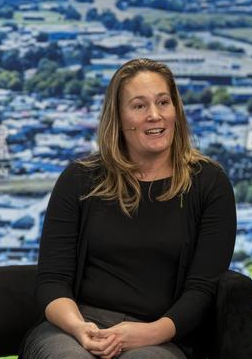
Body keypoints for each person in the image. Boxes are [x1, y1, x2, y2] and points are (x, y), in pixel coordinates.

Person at [22, 58, 236, 359]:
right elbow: (51, 281)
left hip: (161, 335)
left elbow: (202, 290)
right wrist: (80, 328)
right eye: (139, 106)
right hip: (76, 328)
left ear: (176, 110)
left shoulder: (209, 183)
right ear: (119, 117)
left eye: (163, 102)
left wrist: (149, 332)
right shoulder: (79, 179)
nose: (154, 115)